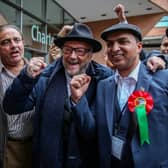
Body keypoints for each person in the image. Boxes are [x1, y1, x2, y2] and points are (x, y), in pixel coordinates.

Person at [3, 22, 113, 168]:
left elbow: (92, 132)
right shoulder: (45, 76)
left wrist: (78, 101)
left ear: (90, 54)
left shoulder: (103, 80)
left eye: (79, 51)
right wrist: (26, 78)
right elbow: (12, 107)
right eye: (67, 50)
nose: (72, 56)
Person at [70, 23, 168, 168]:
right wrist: (78, 100)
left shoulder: (162, 79)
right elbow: (91, 130)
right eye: (110, 44)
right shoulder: (103, 86)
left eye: (123, 42)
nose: (115, 48)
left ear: (139, 47)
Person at [0, 24, 34, 168]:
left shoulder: (39, 72)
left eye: (17, 40)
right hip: (7, 148)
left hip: (37, 146)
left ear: (22, 43)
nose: (13, 45)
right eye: (6, 42)